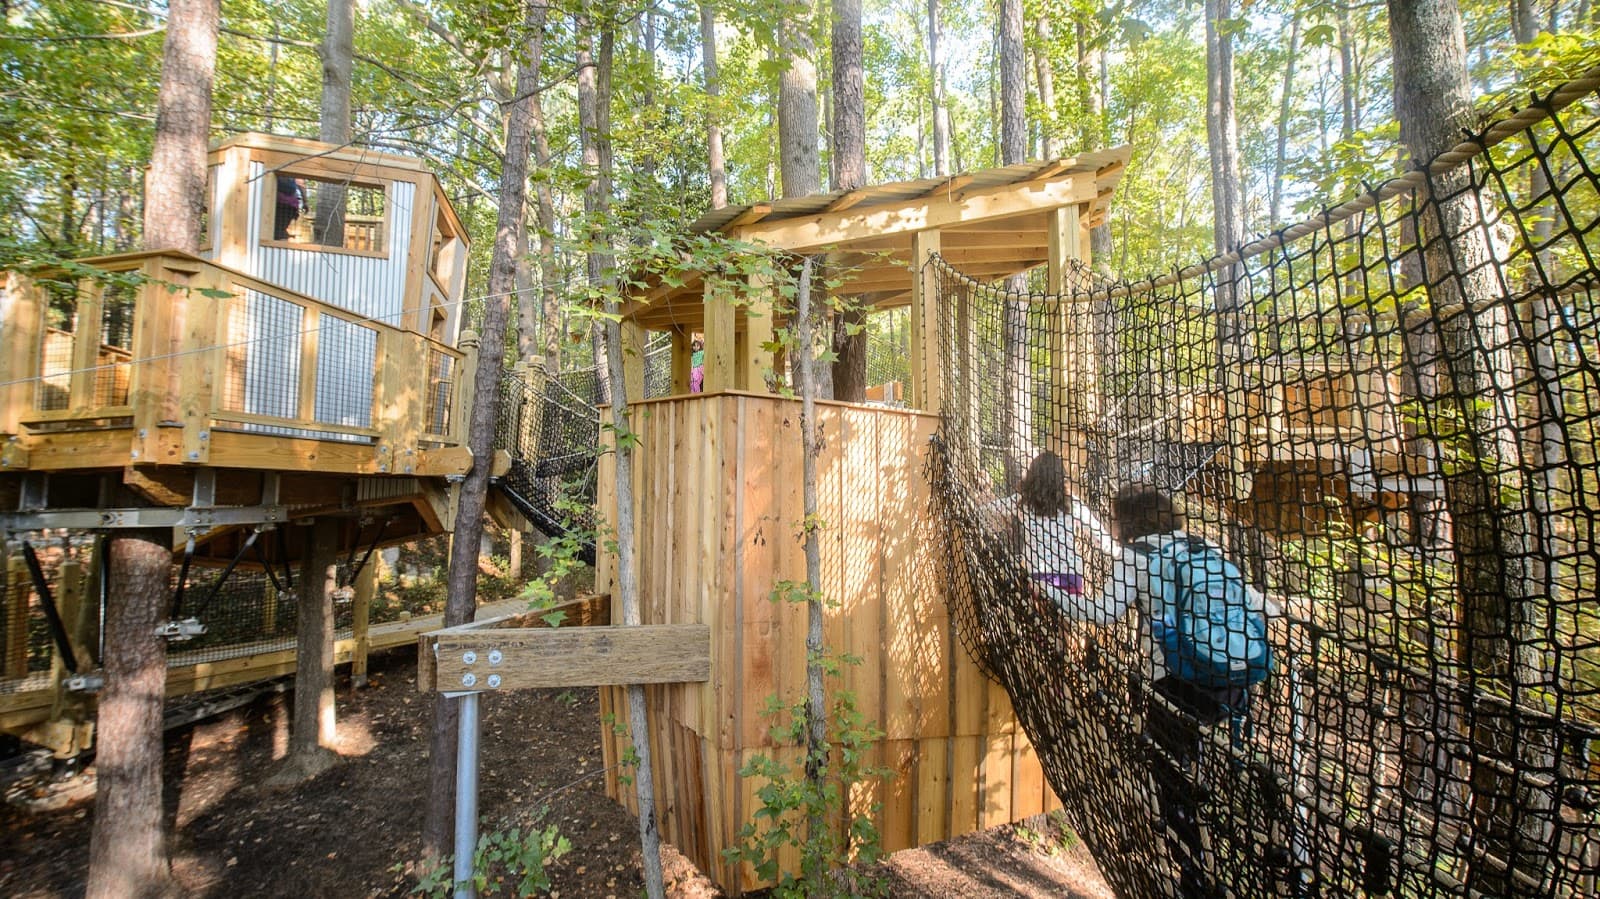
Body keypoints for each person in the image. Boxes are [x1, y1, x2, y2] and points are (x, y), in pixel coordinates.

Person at [1065, 484, 1278, 899]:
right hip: (1229, 685)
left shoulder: (1136, 555)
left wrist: (1051, 592)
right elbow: (1258, 604)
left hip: (1176, 686)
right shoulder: (1203, 545)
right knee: (1205, 768)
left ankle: (1192, 877)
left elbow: (1103, 613)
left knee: (1171, 779)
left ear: (1128, 519)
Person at [984, 451, 1119, 612]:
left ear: (1033, 476)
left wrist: (979, 511)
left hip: (1039, 578)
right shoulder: (1071, 504)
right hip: (1070, 576)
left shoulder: (1024, 502)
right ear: (1060, 477)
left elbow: (991, 509)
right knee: (1067, 623)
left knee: (1041, 622)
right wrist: (1118, 552)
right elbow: (1096, 532)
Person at [274, 175, 305, 240]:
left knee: (278, 229)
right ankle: (282, 237)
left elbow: (300, 186)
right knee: (280, 228)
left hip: (282, 204)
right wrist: (305, 202)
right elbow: (300, 187)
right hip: (291, 206)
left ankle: (281, 237)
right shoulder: (293, 179)